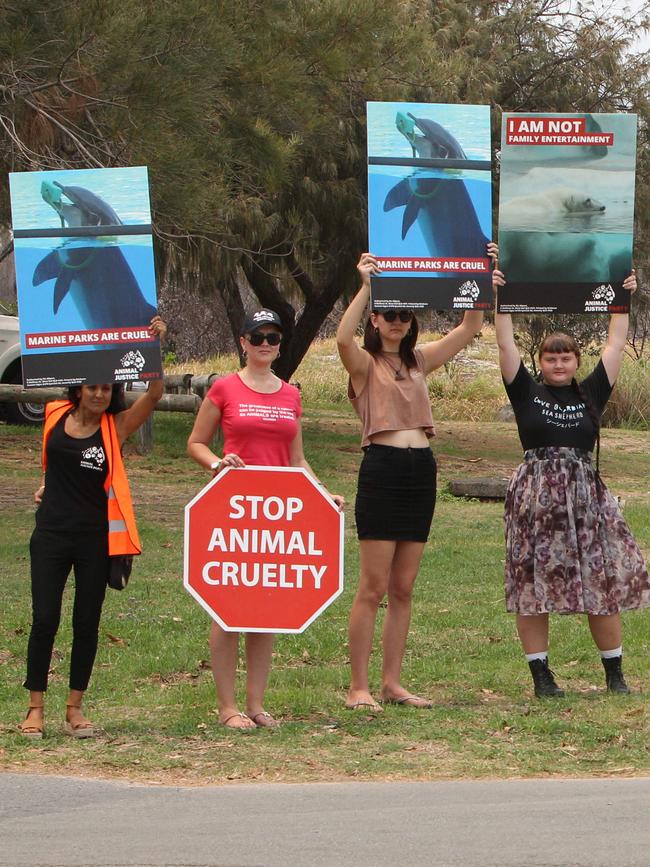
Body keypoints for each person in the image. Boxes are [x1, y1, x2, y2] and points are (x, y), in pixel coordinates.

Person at [336, 252, 489, 712]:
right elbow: (342, 338)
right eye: (390, 315)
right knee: (373, 586)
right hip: (382, 468)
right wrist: (365, 286)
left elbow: (468, 330)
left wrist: (477, 275)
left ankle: (392, 683)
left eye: (405, 315)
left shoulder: (419, 360)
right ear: (377, 320)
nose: (398, 322)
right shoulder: (364, 364)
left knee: (404, 587)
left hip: (421, 472)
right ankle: (358, 687)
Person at [493, 266, 650, 696]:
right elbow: (504, 342)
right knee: (532, 585)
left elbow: (616, 342)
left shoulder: (592, 392)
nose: (558, 363)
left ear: (577, 362)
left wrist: (624, 296)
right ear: (540, 363)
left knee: (600, 582)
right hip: (535, 498)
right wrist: (499, 297)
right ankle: (542, 678)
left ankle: (615, 676)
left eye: (565, 357)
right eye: (550, 357)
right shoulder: (525, 390)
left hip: (585, 499)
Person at [187, 309, 344, 730]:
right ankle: (227, 708)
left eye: (272, 337)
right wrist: (219, 464)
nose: (265, 344)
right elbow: (197, 443)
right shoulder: (223, 388)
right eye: (256, 336)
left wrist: (321, 493)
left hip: (278, 514)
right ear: (242, 341)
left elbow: (297, 459)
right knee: (227, 609)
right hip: (235, 508)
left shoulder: (291, 394)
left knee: (265, 608)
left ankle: (256, 704)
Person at [19, 316, 167, 738]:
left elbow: (154, 393)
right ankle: (34, 708)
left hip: (94, 539)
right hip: (49, 534)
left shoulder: (114, 427)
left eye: (107, 388)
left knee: (86, 620)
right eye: (93, 388)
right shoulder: (52, 415)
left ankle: (75, 707)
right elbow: (52, 465)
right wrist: (44, 484)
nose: (101, 394)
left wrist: (154, 345)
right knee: (44, 618)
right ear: (78, 389)